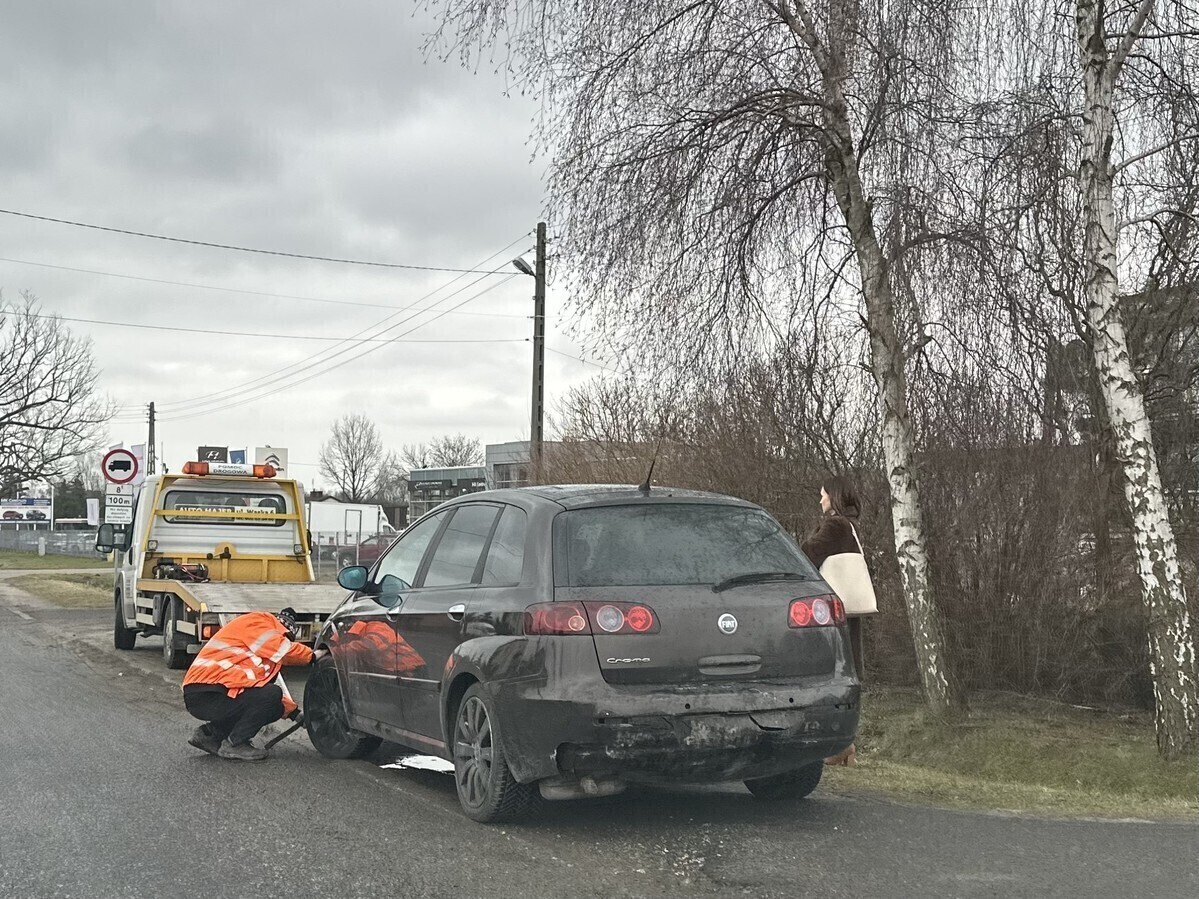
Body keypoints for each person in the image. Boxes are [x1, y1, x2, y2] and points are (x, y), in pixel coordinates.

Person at [182, 607, 327, 761]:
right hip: (210, 693)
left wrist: (294, 714)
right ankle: (235, 744)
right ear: (282, 629)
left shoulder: (258, 651)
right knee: (272, 695)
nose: (285, 641)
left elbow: (257, 691)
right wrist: (312, 656)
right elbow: (283, 650)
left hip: (210, 693)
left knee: (275, 706)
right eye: (285, 638)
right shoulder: (260, 622)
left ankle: (209, 735)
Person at [801, 475, 866, 767]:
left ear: (834, 496)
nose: (820, 499)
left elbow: (807, 555)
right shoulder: (851, 526)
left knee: (834, 673)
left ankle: (842, 743)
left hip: (830, 611)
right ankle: (845, 744)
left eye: (823, 494)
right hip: (848, 608)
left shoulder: (835, 525)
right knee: (846, 671)